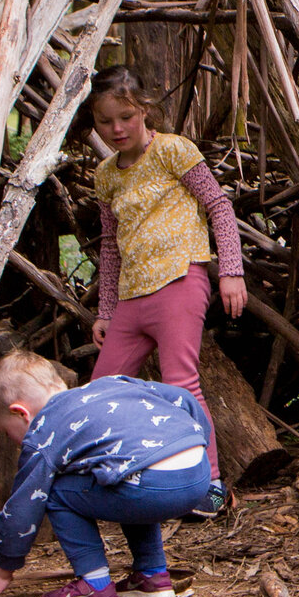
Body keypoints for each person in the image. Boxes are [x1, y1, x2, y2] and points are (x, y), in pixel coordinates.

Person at [87, 65, 246, 518]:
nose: (116, 129)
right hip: (132, 299)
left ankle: (209, 485)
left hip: (180, 279)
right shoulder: (106, 175)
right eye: (105, 121)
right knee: (102, 391)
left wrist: (229, 271)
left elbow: (218, 205)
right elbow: (110, 247)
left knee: (182, 383)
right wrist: (106, 310)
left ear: (145, 112)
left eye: (126, 117)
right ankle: (117, 479)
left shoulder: (174, 151)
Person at [0, 363, 212, 597]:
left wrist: (3, 571)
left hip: (149, 487)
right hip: (197, 475)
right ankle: (152, 575)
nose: (12, 440)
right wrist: (199, 446)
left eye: (6, 433)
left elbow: (22, 510)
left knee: (54, 489)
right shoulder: (112, 383)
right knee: (122, 470)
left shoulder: (43, 430)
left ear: (21, 413)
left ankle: (94, 587)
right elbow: (184, 397)